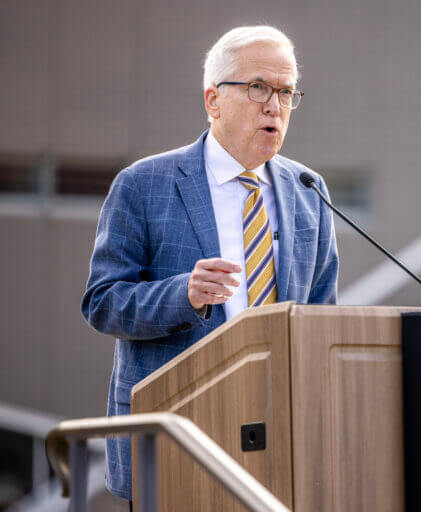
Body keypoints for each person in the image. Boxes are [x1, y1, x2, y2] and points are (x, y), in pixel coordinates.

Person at [81, 26, 339, 501]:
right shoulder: (143, 184)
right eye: (258, 87)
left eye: (286, 92)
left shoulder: (308, 190)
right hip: (177, 429)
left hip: (281, 434)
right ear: (213, 100)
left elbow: (322, 314)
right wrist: (184, 294)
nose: (274, 106)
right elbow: (102, 302)